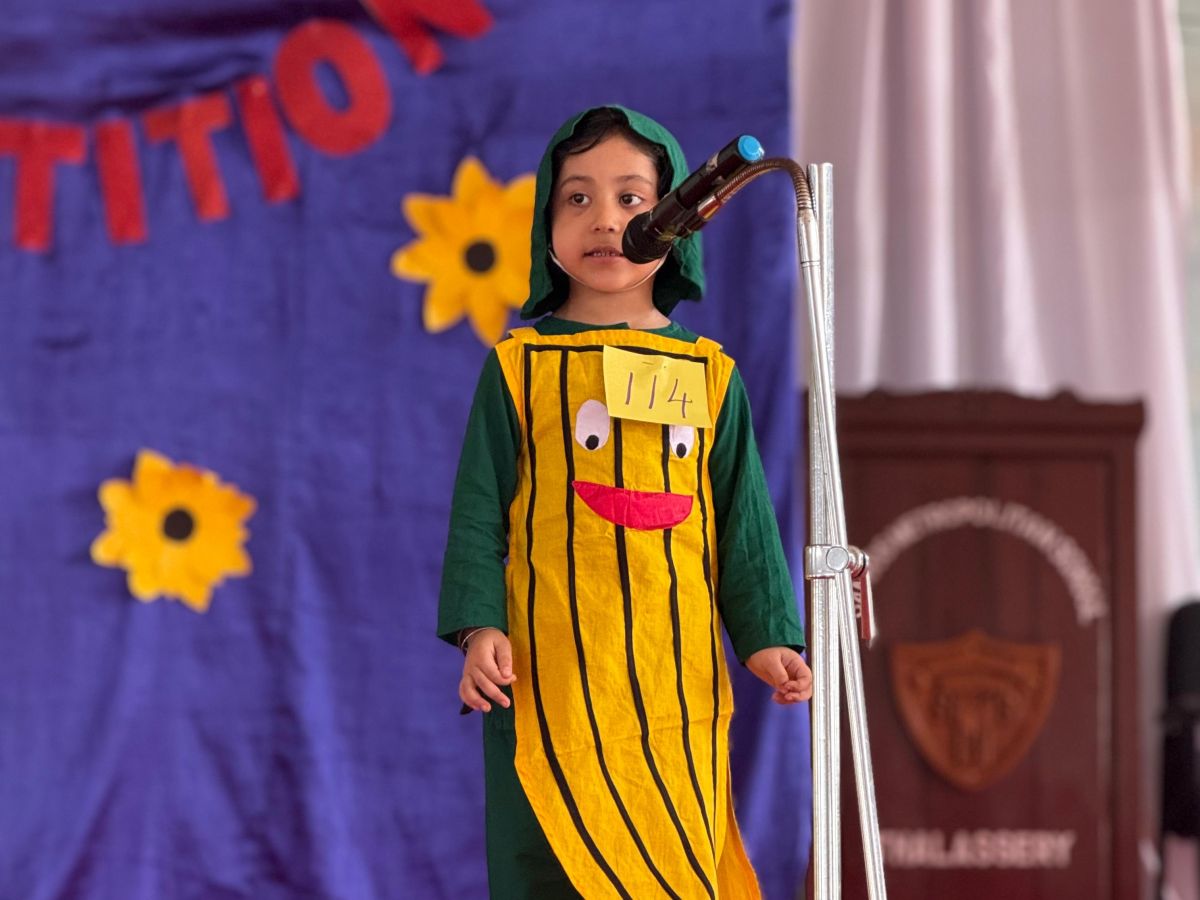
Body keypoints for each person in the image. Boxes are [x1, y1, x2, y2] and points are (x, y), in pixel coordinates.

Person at [438, 105, 811, 899]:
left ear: (679, 219)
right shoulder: (517, 368)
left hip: (674, 690)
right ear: (545, 227)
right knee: (550, 868)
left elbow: (744, 526)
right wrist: (479, 628)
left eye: (632, 199)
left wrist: (768, 639)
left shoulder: (711, 375)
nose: (606, 220)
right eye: (577, 198)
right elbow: (477, 514)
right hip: (548, 682)